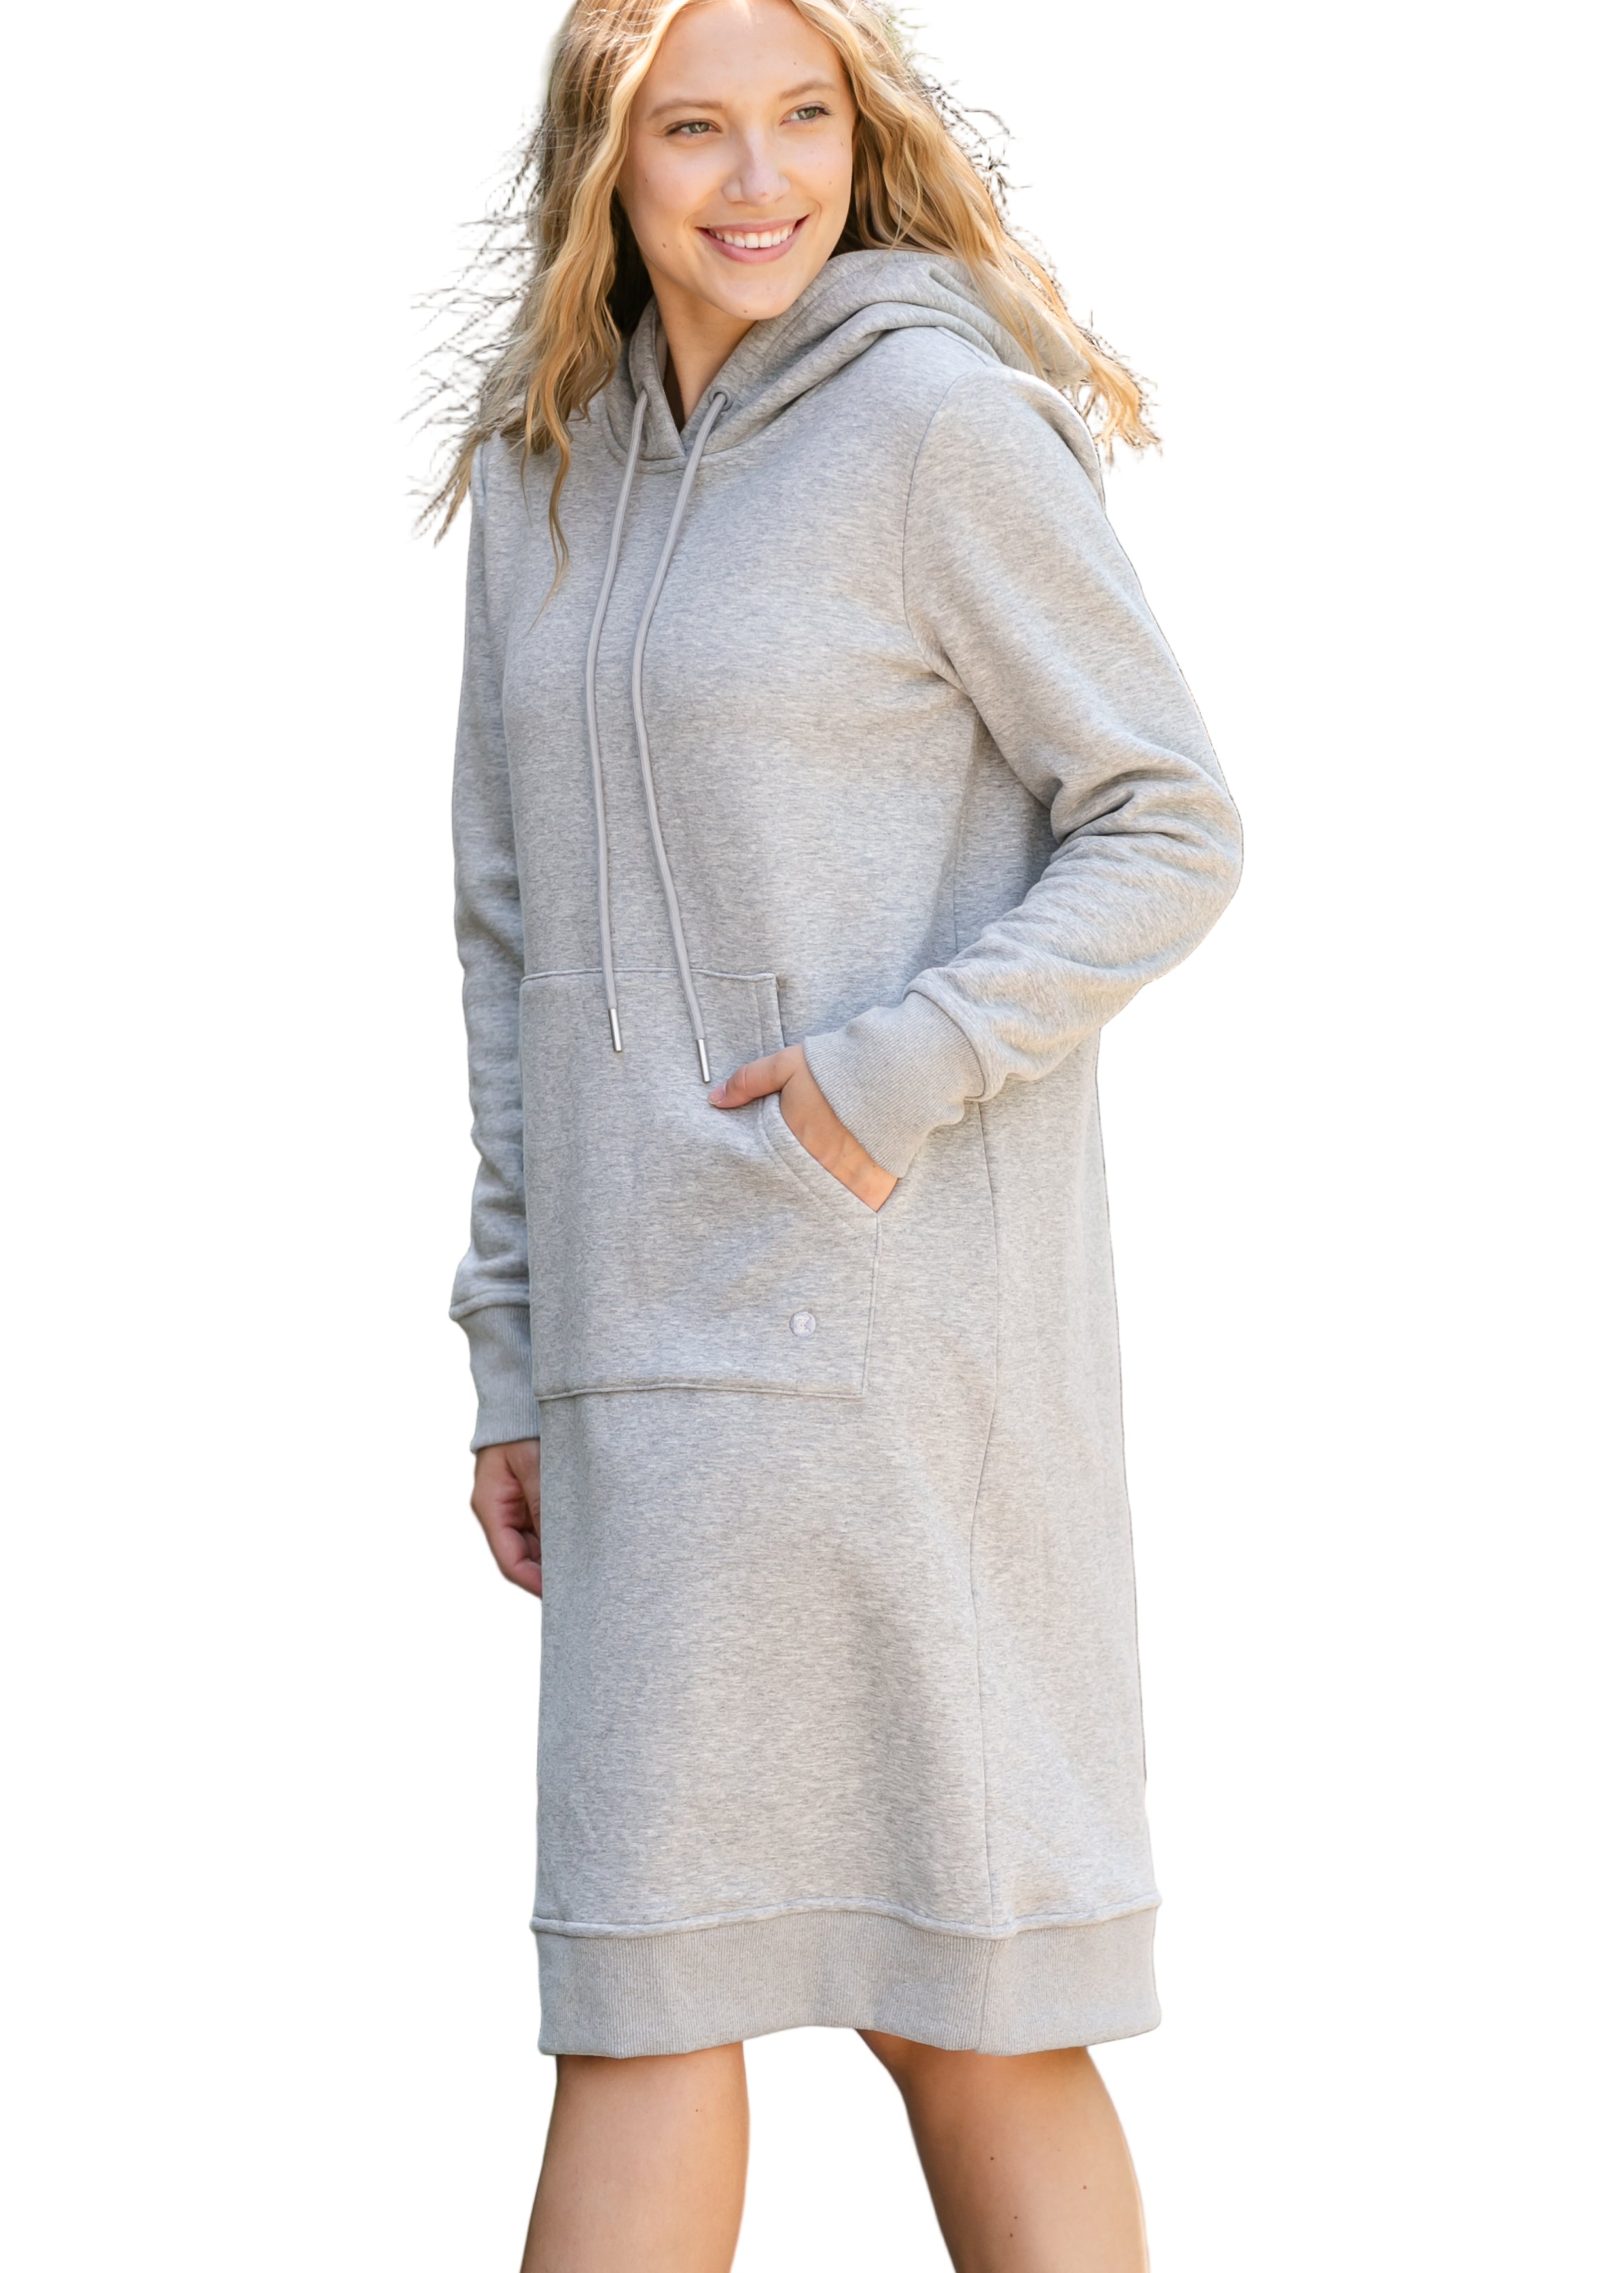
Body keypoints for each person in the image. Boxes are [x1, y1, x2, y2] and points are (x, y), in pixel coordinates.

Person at [438, 0, 1241, 2263]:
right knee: (642, 1988)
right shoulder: (544, 467)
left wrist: (886, 1079)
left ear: (862, 135)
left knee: (960, 2005)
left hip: (901, 1350)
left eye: (803, 118)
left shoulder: (936, 429)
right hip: (641, 1356)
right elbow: (509, 927)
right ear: (606, 161)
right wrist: (512, 1342)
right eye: (696, 129)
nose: (758, 179)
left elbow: (1170, 822)